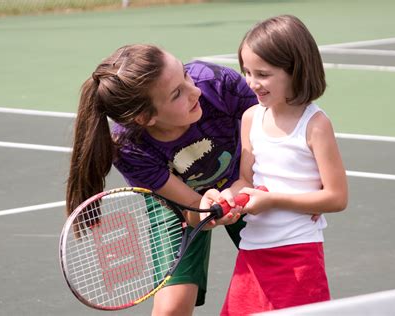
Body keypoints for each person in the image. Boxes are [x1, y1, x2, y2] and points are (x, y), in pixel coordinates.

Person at [65, 43, 258, 316]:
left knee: (278, 278)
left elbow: (274, 131)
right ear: (145, 117)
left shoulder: (217, 83)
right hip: (180, 199)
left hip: (246, 173)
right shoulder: (129, 147)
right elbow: (190, 205)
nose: (196, 91)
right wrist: (205, 212)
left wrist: (246, 184)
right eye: (177, 93)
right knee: (172, 308)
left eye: (185, 75)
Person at [205, 15, 348, 315]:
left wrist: (273, 200)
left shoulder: (316, 125)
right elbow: (244, 179)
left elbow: (337, 197)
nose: (252, 83)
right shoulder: (250, 118)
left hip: (298, 254)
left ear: (295, 71)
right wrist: (231, 197)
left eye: (263, 74)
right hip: (252, 250)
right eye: (246, 71)